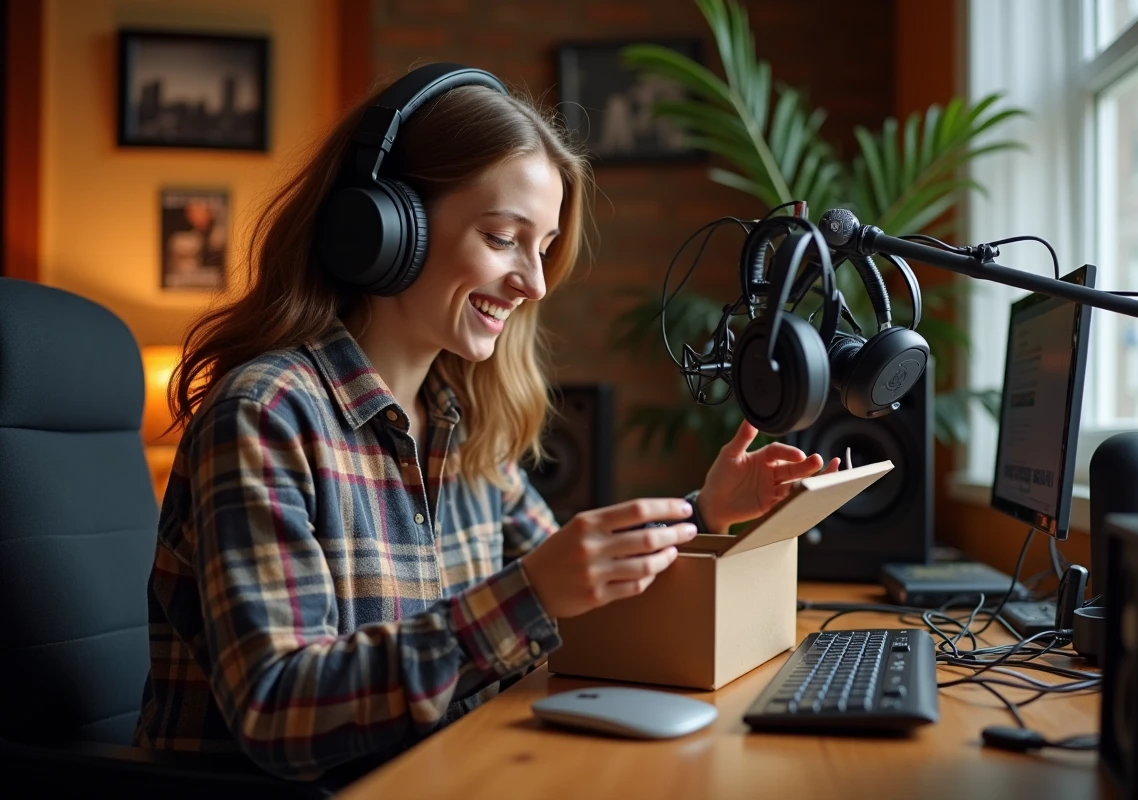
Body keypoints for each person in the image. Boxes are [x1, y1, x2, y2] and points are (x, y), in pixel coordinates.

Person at [132, 64, 838, 790]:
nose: (534, 283)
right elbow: (279, 711)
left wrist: (702, 513)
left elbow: (575, 594)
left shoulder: (463, 423)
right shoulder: (267, 415)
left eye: (543, 248)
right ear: (384, 225)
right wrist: (531, 594)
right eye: (505, 237)